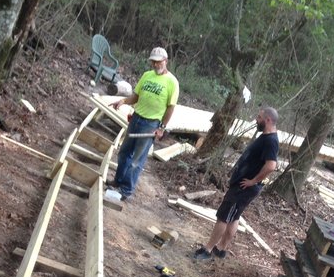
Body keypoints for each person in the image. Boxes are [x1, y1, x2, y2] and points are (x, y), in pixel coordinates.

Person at [193, 107, 280, 260]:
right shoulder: (266, 137)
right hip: (242, 185)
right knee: (234, 216)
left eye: (259, 117)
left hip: (244, 187)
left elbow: (271, 165)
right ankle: (220, 250)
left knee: (223, 217)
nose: (256, 119)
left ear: (267, 120)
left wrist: (253, 181)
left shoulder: (271, 141)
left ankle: (207, 250)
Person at [108, 47, 179, 200]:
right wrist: (123, 101)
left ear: (165, 61)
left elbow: (170, 107)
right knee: (124, 152)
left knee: (136, 160)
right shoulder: (147, 75)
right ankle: (117, 181)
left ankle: (126, 190)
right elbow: (136, 96)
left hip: (151, 124)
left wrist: (161, 128)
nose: (155, 65)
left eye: (158, 62)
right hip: (136, 118)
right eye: (153, 62)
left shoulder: (172, 82)